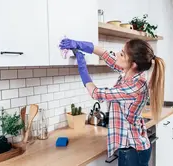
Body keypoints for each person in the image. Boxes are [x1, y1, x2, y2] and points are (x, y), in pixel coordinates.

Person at [59, 38, 165, 166]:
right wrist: (79, 44)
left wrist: (82, 67)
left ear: (133, 64)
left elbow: (96, 93)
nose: (116, 54)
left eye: (122, 54)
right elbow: (105, 55)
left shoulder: (134, 87)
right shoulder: (129, 73)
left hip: (132, 151)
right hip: (133, 147)